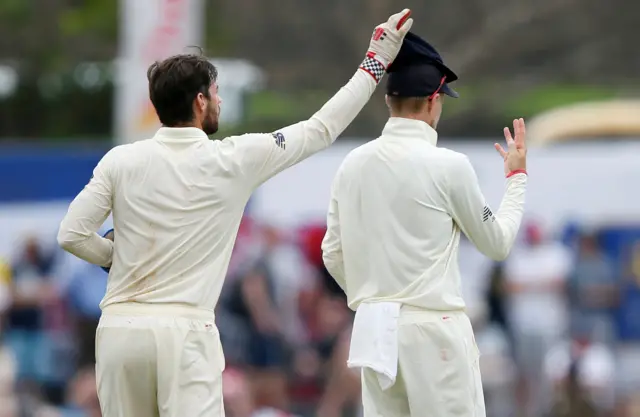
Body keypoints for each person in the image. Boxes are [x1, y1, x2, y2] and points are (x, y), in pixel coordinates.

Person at [56, 9, 414, 417]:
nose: (221, 100)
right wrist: (376, 60)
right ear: (200, 100)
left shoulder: (120, 160)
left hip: (119, 330)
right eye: (216, 91)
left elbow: (71, 234)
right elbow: (321, 129)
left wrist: (112, 257)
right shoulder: (233, 158)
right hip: (184, 332)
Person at [321, 31, 528, 417]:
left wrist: (377, 296)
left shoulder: (352, 164)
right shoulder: (449, 166)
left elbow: (332, 253)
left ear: (388, 100)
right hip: (435, 331)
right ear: (434, 102)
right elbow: (497, 243)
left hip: (374, 330)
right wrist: (516, 180)